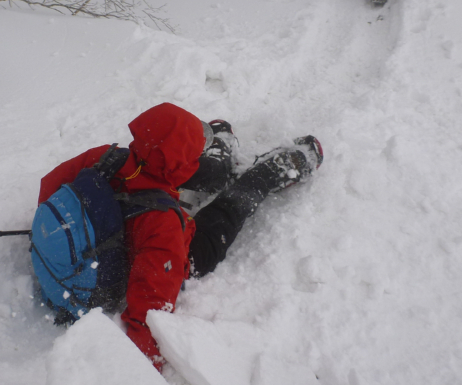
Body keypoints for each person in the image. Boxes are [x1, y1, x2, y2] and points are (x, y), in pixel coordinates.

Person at [35, 103, 323, 370]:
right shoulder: (164, 225)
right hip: (183, 251)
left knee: (174, 167)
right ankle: (266, 170)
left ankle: (220, 154)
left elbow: (50, 189)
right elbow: (149, 311)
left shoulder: (105, 158)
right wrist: (142, 373)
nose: (194, 160)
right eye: (196, 153)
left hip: (69, 264)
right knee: (231, 204)